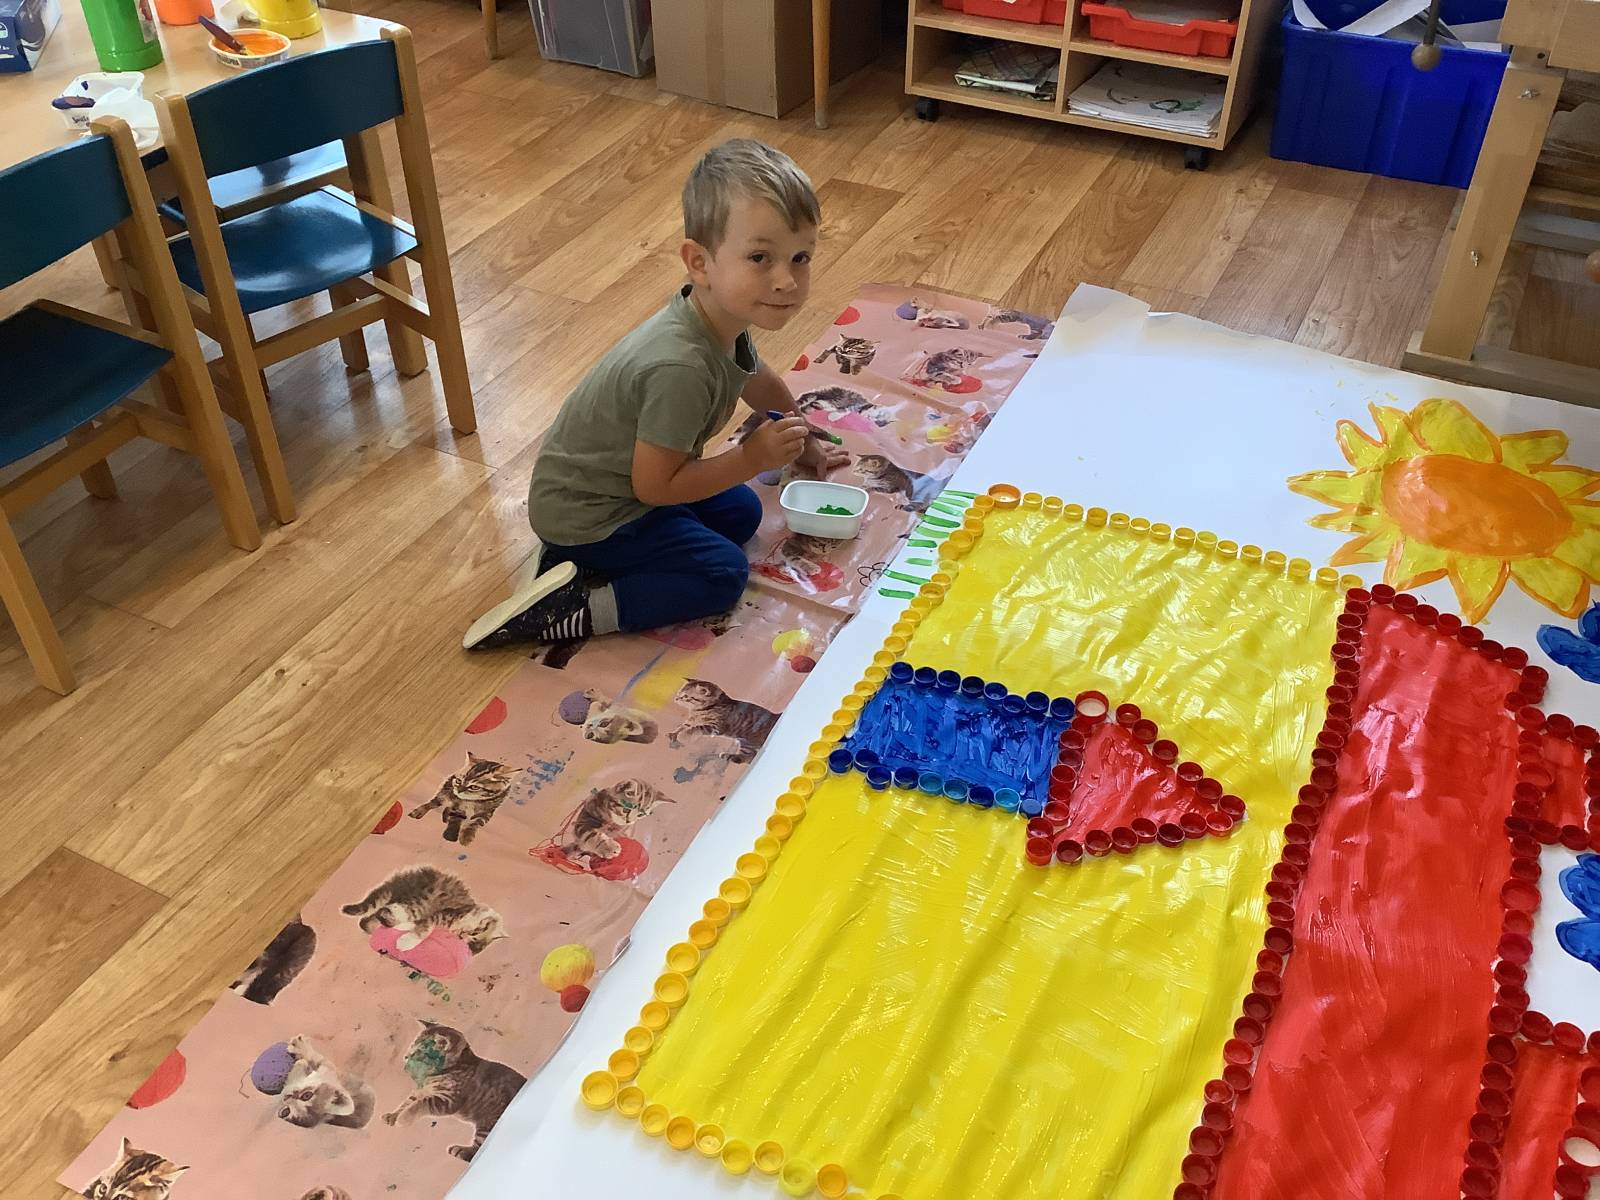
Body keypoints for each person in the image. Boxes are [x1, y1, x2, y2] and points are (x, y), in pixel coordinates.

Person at [464, 139, 846, 651]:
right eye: (760, 257)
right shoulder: (679, 367)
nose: (786, 280)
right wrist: (750, 458)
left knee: (741, 512)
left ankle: (575, 563)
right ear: (699, 263)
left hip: (615, 491)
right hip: (593, 515)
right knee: (721, 573)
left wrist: (804, 439)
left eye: (800, 258)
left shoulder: (718, 317)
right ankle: (568, 609)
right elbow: (654, 487)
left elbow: (758, 379)